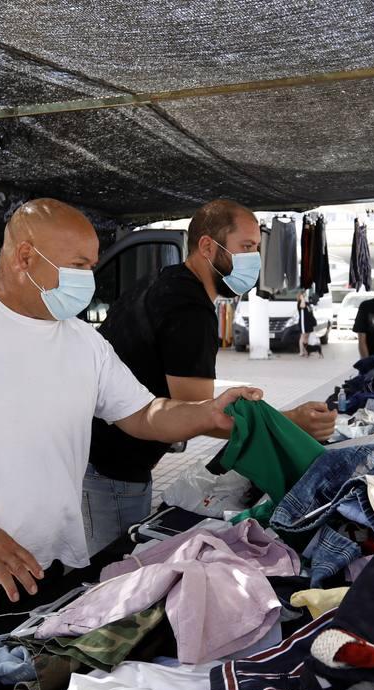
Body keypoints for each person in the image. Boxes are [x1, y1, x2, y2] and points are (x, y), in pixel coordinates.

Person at [0, 199, 264, 677]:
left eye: (91, 264)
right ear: (26, 257)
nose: (88, 278)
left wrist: (206, 412)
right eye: (78, 266)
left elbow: (144, 413)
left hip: (39, 567)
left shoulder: (82, 341)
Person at [83, 200, 336, 556]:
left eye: (257, 249)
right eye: (246, 247)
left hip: (103, 455)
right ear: (207, 246)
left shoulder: (163, 280)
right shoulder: (189, 309)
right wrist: (289, 422)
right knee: (116, 571)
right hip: (113, 467)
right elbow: (198, 411)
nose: (255, 260)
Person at [297, 292, 319, 357]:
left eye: (305, 295)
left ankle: (306, 351)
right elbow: (302, 306)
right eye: (304, 295)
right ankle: (301, 352)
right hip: (303, 322)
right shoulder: (300, 302)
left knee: (307, 337)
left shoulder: (307, 303)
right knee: (303, 337)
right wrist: (302, 298)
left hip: (309, 323)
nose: (305, 296)